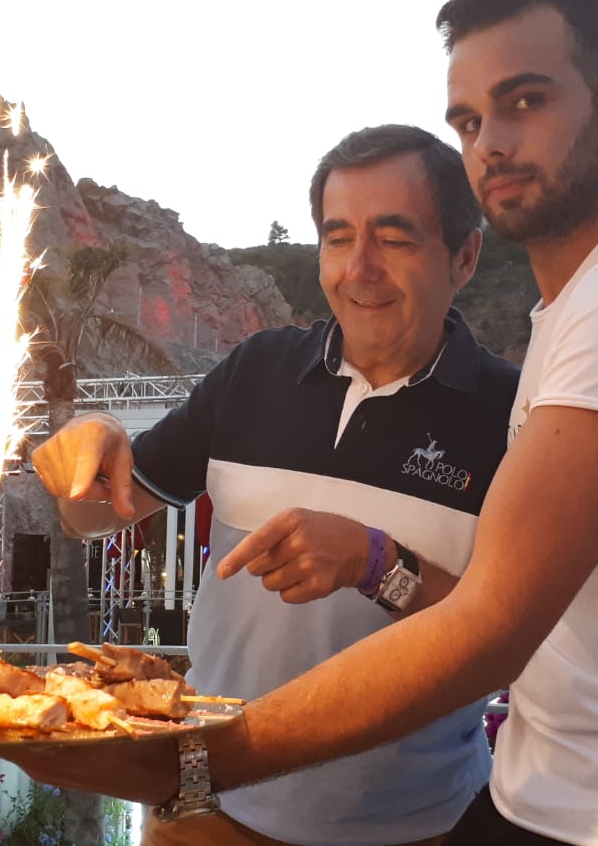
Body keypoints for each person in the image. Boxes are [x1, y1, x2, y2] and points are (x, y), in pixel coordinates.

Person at [15, 0, 598, 843]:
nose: (491, 142)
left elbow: (492, 622)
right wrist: (92, 440)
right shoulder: (561, 321)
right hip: (533, 796)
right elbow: (588, 600)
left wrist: (189, 759)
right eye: (468, 120)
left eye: (525, 101)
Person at [31, 123, 517, 845]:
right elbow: (97, 515)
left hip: (416, 827)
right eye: (338, 238)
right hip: (204, 811)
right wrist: (85, 450)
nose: (359, 269)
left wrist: (377, 562)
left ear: (464, 256)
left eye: (394, 239)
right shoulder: (257, 369)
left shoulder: (514, 415)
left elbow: (517, 633)